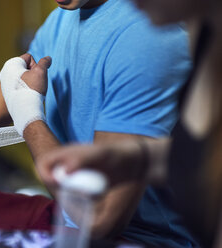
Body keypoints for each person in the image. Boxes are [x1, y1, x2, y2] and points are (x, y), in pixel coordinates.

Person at [0, 0, 192, 247]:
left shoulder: (146, 41)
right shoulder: (63, 19)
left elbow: (100, 218)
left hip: (141, 237)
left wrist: (29, 117)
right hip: (69, 215)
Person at [37, 0, 222, 246]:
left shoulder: (153, 39)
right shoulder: (208, 41)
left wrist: (29, 118)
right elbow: (197, 159)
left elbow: (100, 221)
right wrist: (137, 158)